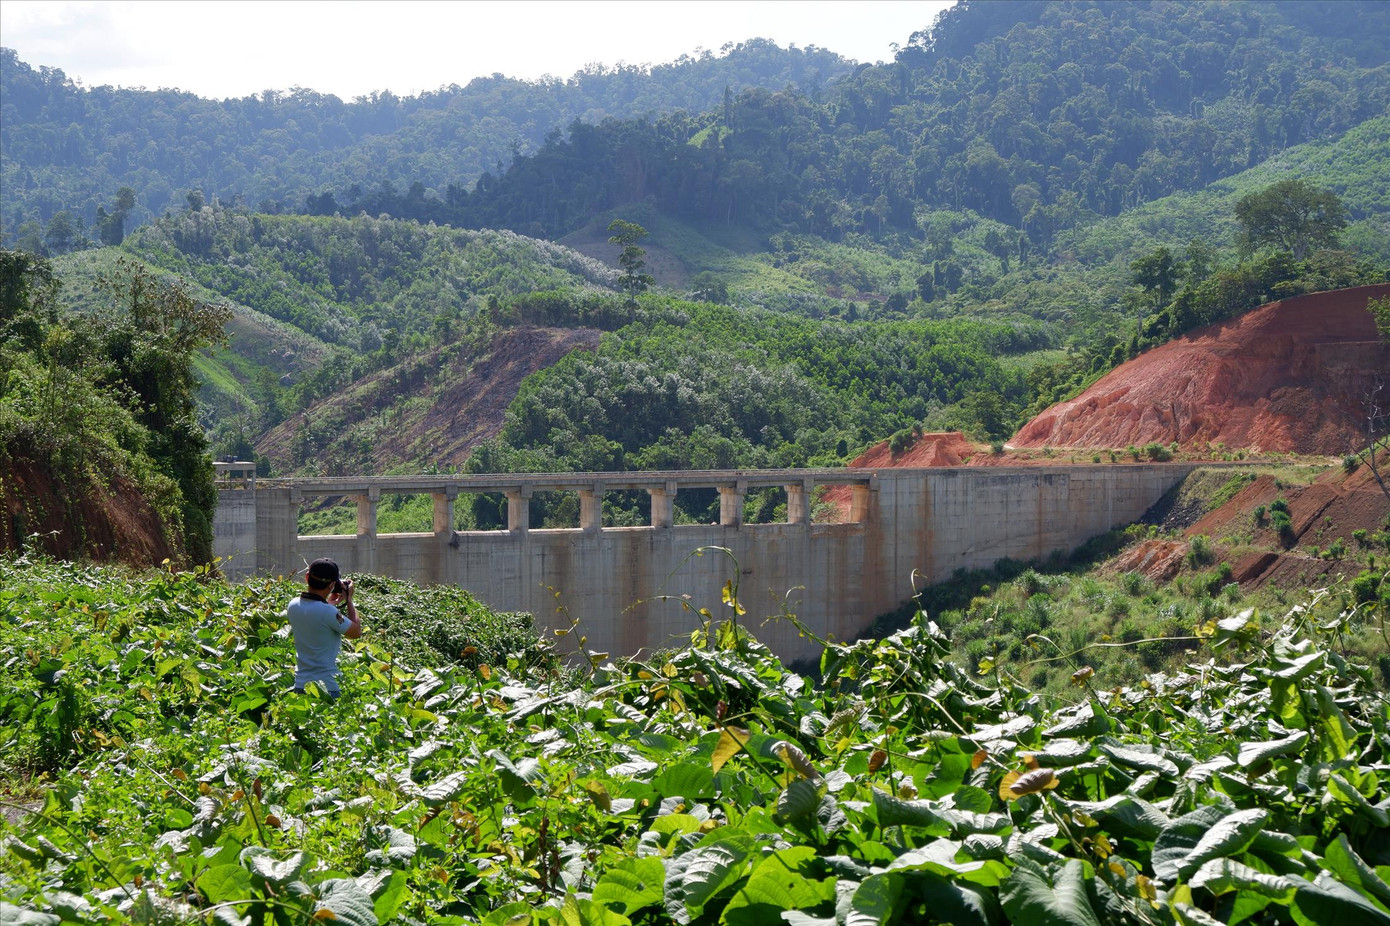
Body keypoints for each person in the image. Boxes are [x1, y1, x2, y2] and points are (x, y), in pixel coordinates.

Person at [286, 557, 361, 699]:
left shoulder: (293, 605)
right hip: (328, 687)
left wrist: (332, 602)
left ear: (307, 577)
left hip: (301, 686)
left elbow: (316, 614)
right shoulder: (328, 612)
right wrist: (349, 600)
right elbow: (356, 632)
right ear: (332, 584)